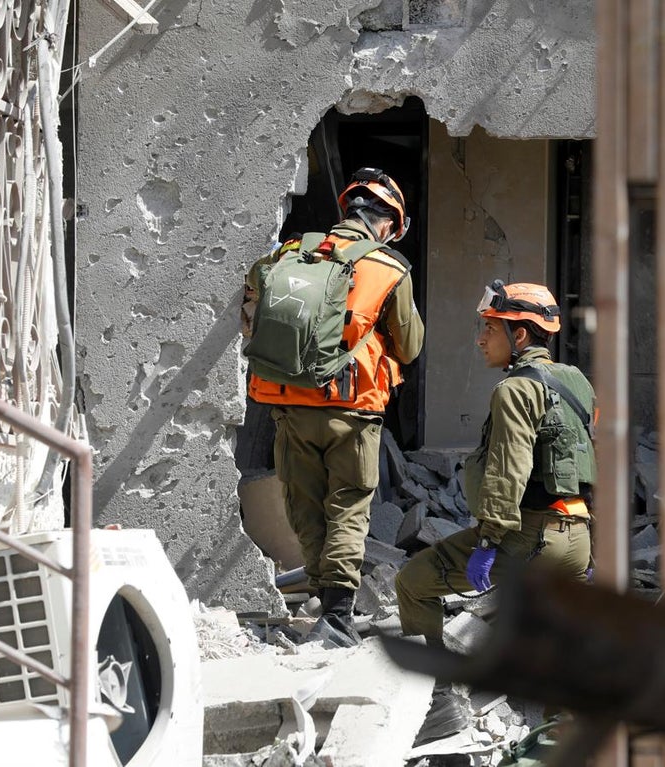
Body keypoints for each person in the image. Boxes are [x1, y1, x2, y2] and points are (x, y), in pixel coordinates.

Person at [395, 280, 594, 740]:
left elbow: (509, 469)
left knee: (414, 583)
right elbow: (585, 462)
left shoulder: (514, 391)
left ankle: (438, 705)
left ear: (519, 335)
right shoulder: (577, 383)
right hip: (576, 534)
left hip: (528, 537)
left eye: (489, 328)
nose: (480, 339)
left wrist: (488, 541)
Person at [243, 168, 425, 647]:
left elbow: (255, 297)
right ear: (388, 224)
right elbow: (410, 348)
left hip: (289, 404)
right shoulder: (389, 267)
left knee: (305, 506)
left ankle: (324, 602)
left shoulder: (290, 253)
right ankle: (339, 617)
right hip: (351, 409)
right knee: (347, 506)